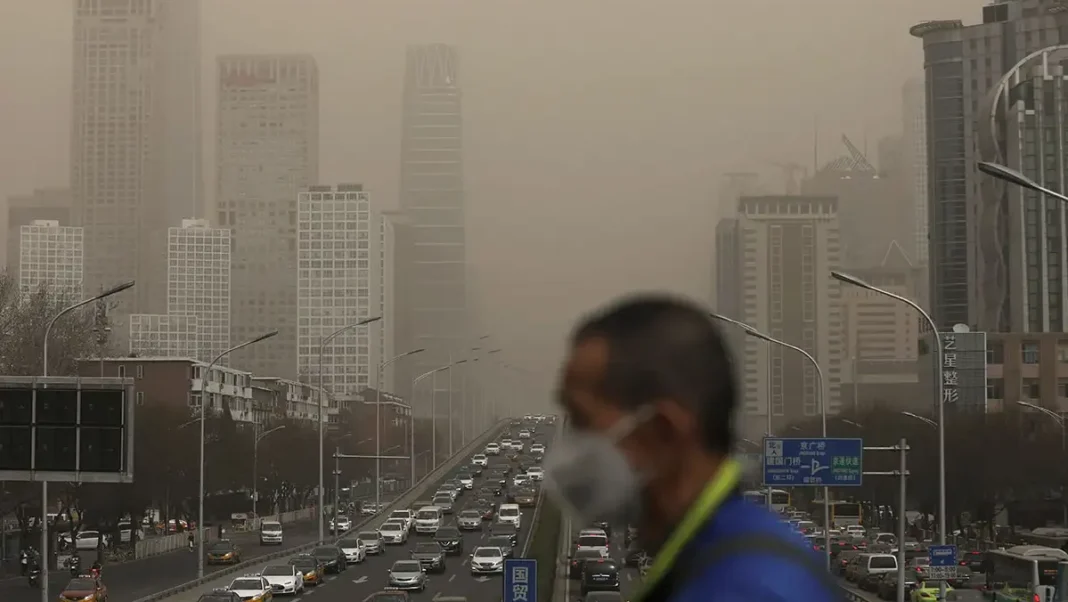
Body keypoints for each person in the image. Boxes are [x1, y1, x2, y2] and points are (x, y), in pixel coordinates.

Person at [543, 295, 842, 602]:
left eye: (580, 420)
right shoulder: (714, 556)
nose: (568, 448)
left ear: (663, 431)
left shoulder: (739, 588)